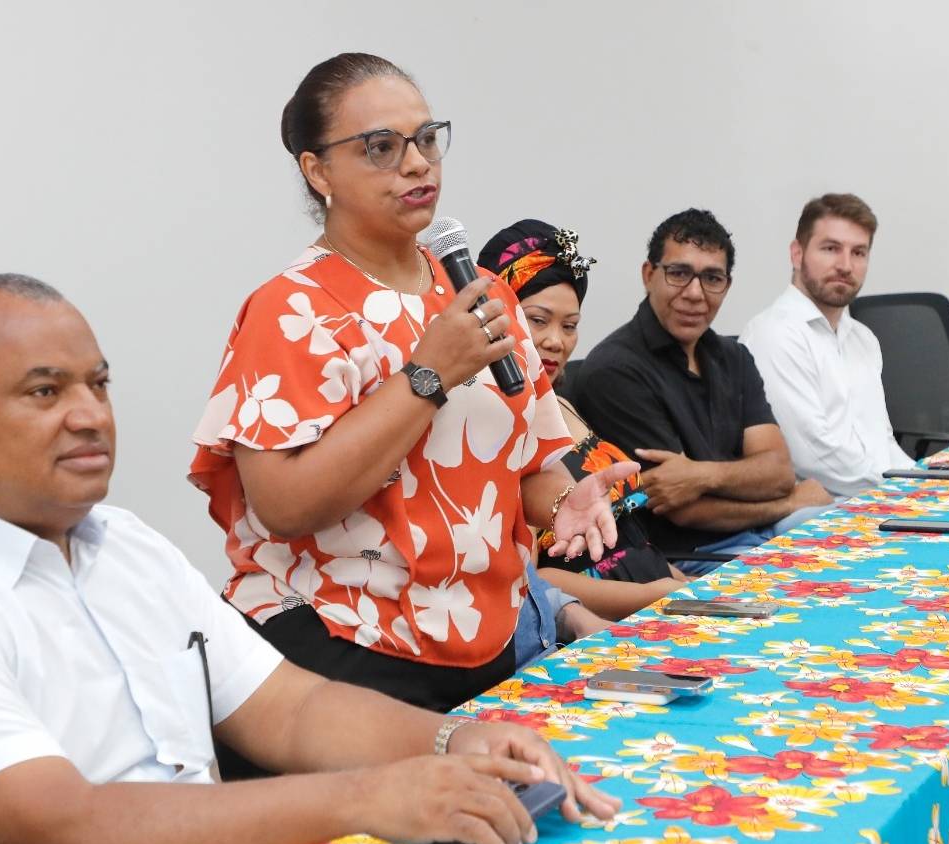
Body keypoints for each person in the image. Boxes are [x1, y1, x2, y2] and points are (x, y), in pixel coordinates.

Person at [0, 274, 618, 844]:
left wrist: (453, 738)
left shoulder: (119, 544)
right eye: (44, 391)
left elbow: (292, 710)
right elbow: (69, 833)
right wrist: (374, 795)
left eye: (98, 383)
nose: (90, 414)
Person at [188, 53, 631, 712]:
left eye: (426, 139)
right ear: (317, 171)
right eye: (380, 147)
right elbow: (282, 505)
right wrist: (427, 375)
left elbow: (526, 463)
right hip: (340, 645)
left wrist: (564, 500)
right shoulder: (291, 311)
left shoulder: (484, 298)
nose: (418, 162)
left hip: (484, 639)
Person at [573, 208, 831, 576]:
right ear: (649, 275)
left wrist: (700, 476)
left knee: (863, 545)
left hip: (762, 532)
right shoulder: (615, 370)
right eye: (679, 274)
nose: (695, 293)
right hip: (690, 557)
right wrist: (787, 502)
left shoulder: (734, 355)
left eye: (712, 278)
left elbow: (777, 471)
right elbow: (683, 509)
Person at [478, 219, 688, 619]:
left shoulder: (562, 403)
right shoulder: (487, 426)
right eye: (538, 320)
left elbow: (632, 542)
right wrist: (659, 596)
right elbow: (536, 580)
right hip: (605, 623)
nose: (557, 340)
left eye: (570, 326)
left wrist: (688, 588)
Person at [740, 193, 913, 497]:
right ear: (797, 254)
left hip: (873, 498)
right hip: (815, 514)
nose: (846, 265)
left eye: (859, 253)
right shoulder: (775, 335)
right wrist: (901, 491)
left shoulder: (863, 339)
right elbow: (813, 457)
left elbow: (882, 443)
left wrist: (927, 480)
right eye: (831, 249)